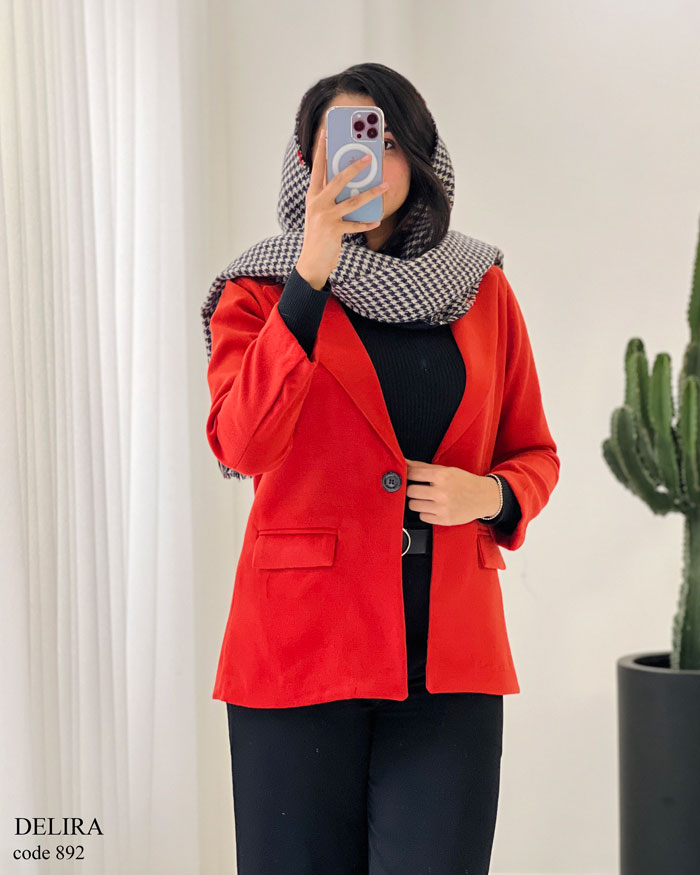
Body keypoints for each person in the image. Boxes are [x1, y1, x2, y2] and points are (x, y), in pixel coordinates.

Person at [201, 62, 560, 874]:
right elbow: (241, 443)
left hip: (450, 662)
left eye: (389, 140)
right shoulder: (258, 289)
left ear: (423, 157)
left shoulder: (483, 289)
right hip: (300, 653)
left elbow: (534, 451)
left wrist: (490, 493)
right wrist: (309, 276)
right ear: (308, 161)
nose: (370, 161)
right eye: (347, 141)